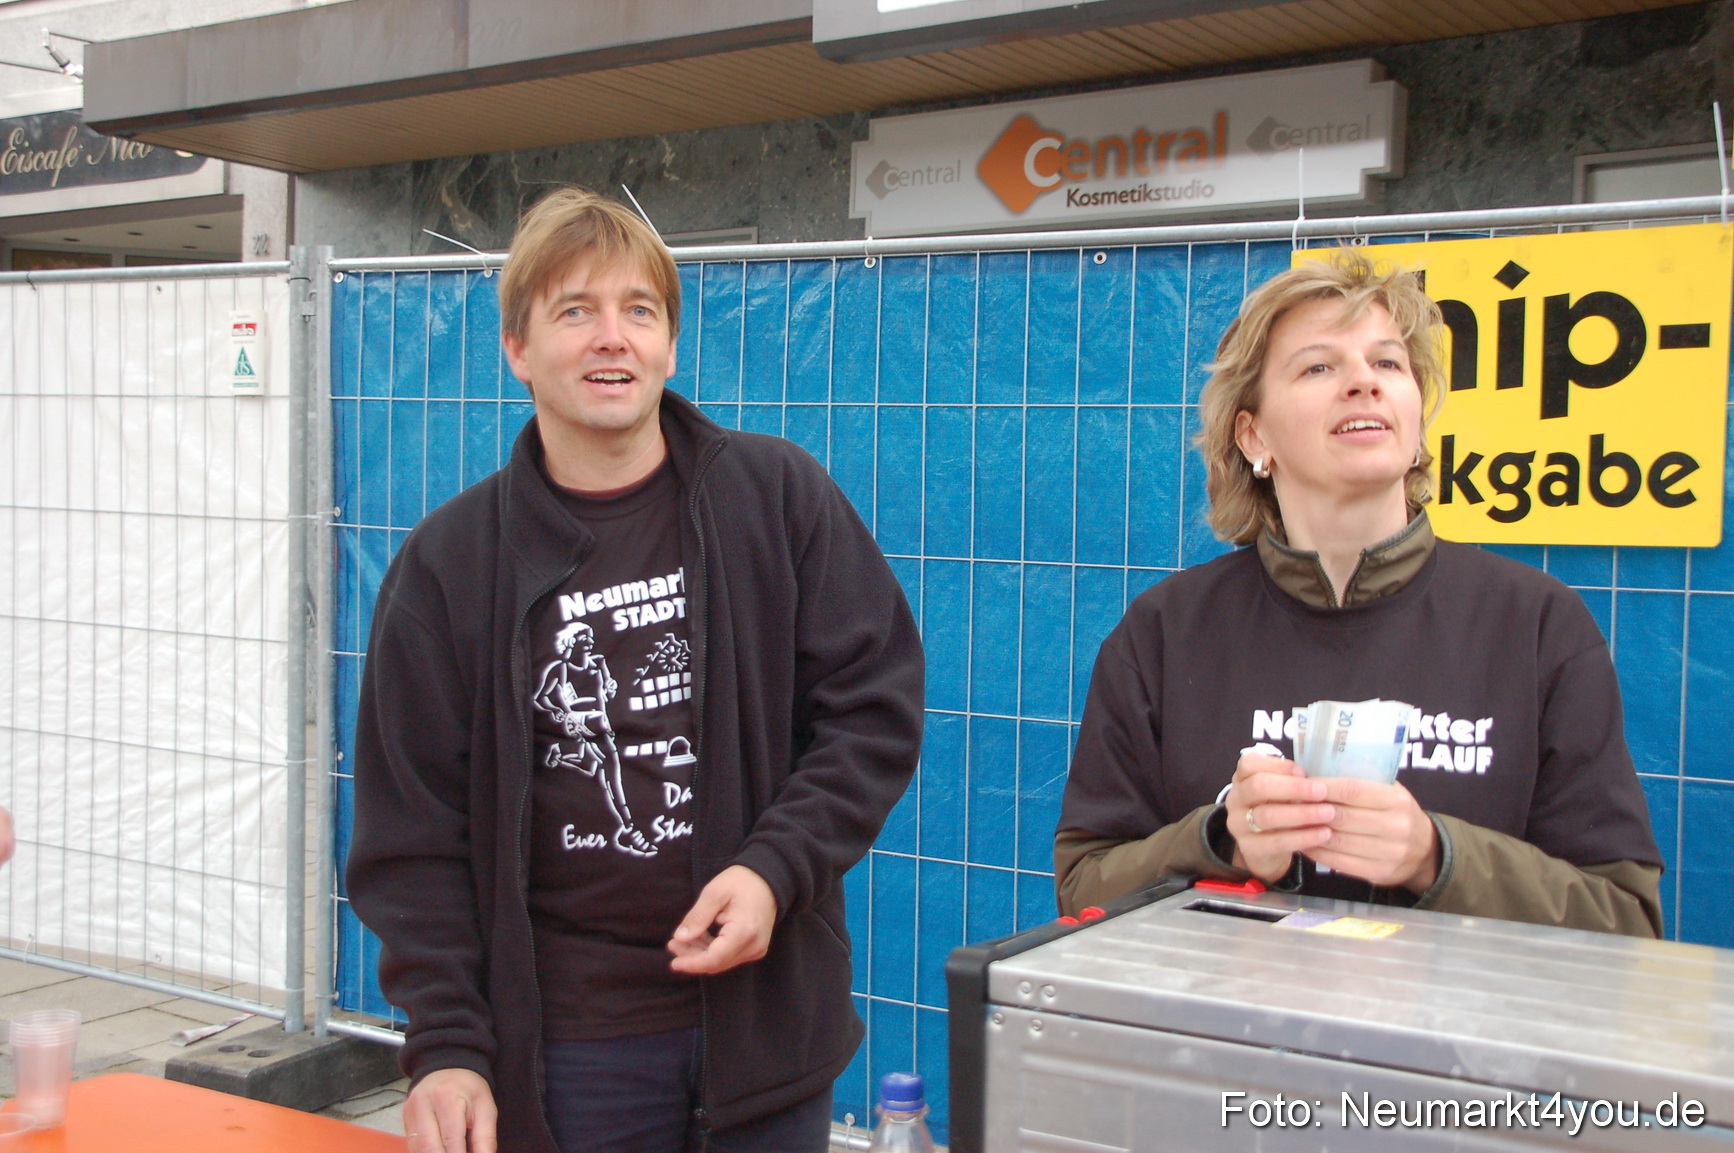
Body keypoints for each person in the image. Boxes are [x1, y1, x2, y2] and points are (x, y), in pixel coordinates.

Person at [347, 186, 924, 1153]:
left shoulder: (776, 499)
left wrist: (774, 870)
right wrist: (446, 1043)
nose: (611, 337)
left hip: (764, 1031)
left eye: (638, 310)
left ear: (668, 343)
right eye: (575, 311)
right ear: (517, 350)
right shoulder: (448, 567)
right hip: (569, 1056)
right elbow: (411, 836)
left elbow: (872, 710)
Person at [1054, 250, 1662, 937]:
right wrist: (1221, 840)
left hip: (1462, 1043)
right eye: (1319, 366)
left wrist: (1438, 857)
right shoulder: (1165, 632)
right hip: (1228, 1038)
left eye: (1389, 363)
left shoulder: (1537, 624)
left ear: (1417, 419)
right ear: (1253, 434)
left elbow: (1627, 920)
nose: (1363, 383)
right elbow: (1084, 889)